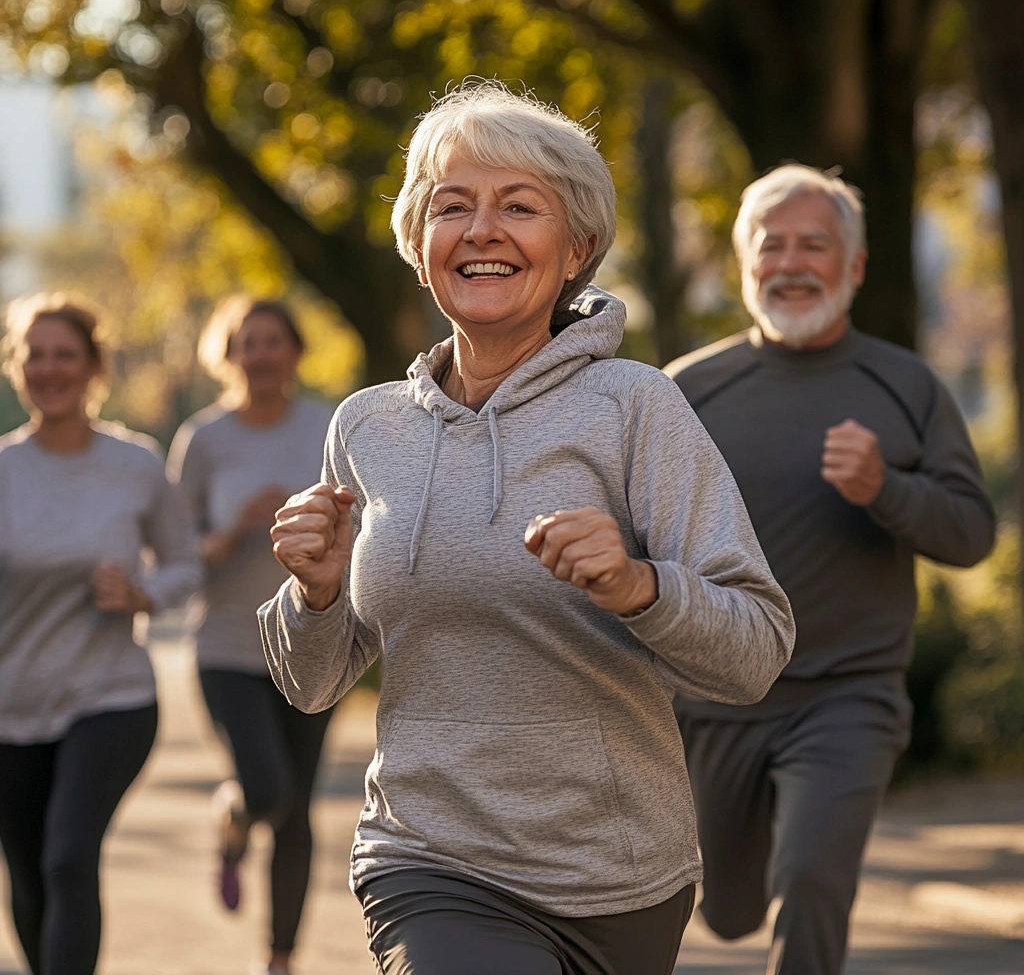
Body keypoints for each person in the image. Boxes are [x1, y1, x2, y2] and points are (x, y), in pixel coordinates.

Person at [257, 80, 796, 975]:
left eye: (518, 206)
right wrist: (313, 594)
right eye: (452, 207)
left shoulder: (635, 407)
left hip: (619, 875)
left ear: (577, 246)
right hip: (426, 858)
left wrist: (640, 586)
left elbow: (756, 651)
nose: (482, 230)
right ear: (419, 247)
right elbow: (313, 685)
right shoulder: (367, 427)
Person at [664, 164, 996, 975]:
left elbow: (971, 535)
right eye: (771, 245)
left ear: (854, 264)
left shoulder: (906, 386)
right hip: (715, 698)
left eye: (813, 245)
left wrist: (887, 488)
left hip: (849, 694)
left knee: (812, 879)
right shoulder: (686, 391)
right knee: (726, 910)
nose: (791, 263)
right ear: (745, 263)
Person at [0, 293, 200, 975]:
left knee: (67, 857)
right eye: (36, 356)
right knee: (28, 874)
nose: (50, 369)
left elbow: (184, 563)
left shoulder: (134, 464)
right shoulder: (4, 471)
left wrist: (143, 595)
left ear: (93, 368)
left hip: (110, 697)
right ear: (17, 368)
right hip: (12, 705)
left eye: (66, 355)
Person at [167, 296, 336, 975]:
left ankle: (279, 959)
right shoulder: (204, 439)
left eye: (273, 341)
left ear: (296, 351)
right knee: (268, 788)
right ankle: (236, 814)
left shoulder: (329, 426)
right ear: (228, 356)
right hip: (229, 647)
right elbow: (174, 551)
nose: (261, 354)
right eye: (248, 343)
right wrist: (238, 528)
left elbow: (364, 525)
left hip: (314, 644)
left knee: (297, 812)